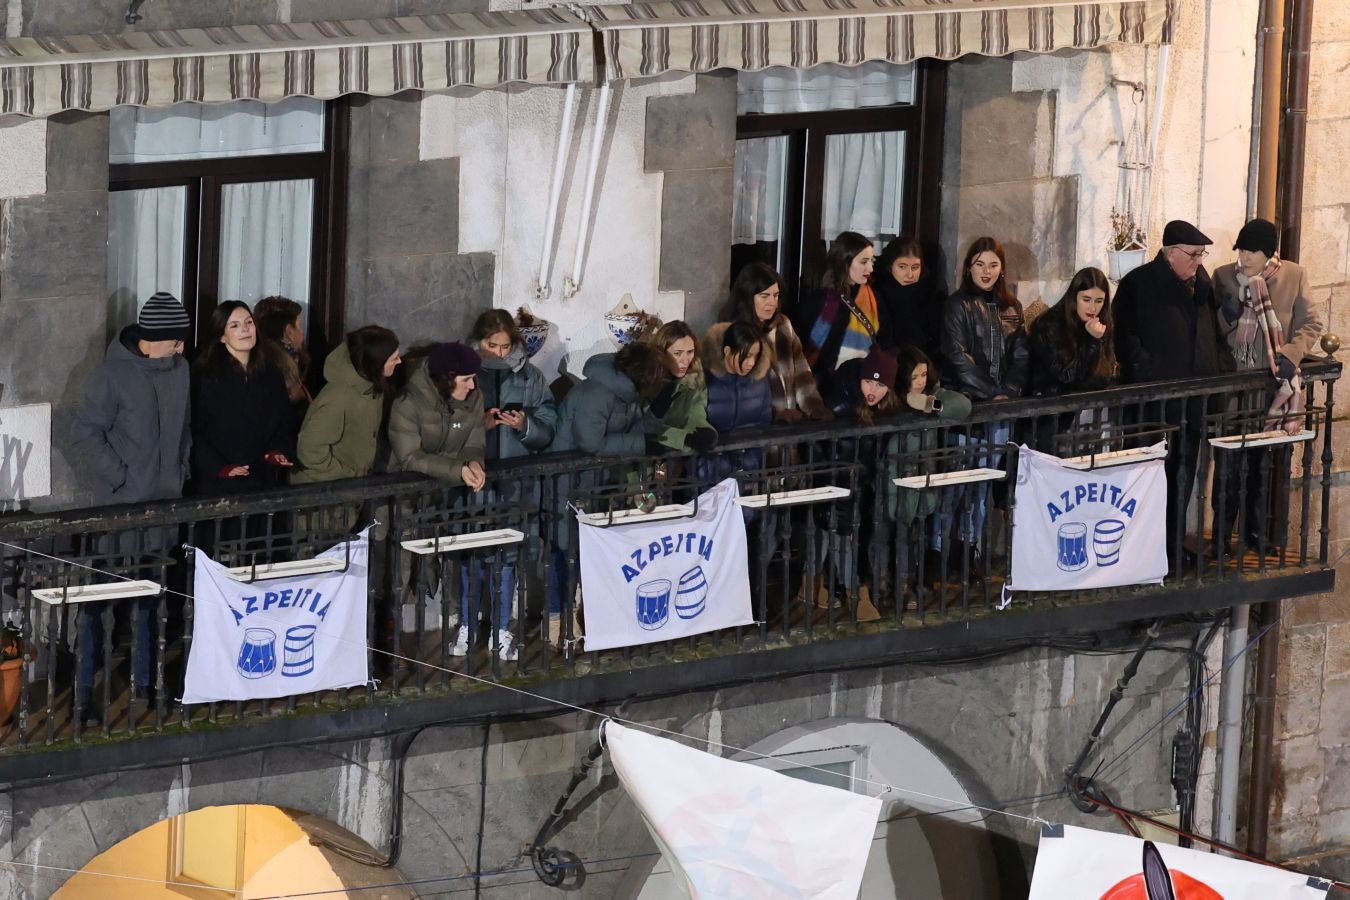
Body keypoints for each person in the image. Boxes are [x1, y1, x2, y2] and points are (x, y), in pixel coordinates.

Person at [69, 291, 192, 721]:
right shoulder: (111, 375)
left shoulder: (180, 371)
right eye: (176, 340)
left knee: (150, 602)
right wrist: (122, 479)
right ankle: (84, 694)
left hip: (164, 508)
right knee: (98, 604)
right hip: (117, 510)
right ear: (153, 339)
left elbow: (185, 428)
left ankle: (147, 684)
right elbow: (85, 433)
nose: (182, 347)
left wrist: (180, 470)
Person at [1113, 220, 1236, 565]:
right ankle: (1143, 552)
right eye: (1193, 254)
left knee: (1182, 479)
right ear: (1170, 253)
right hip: (1153, 406)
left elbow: (1212, 334)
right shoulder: (1138, 284)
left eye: (1201, 254)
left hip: (1194, 404)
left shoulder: (1201, 283)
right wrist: (1151, 375)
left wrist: (1221, 369)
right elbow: (1126, 340)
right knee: (1148, 479)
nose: (1199, 261)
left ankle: (1173, 547)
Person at [546, 342, 673, 649]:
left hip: (594, 482)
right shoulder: (597, 393)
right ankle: (555, 621)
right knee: (564, 551)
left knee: (583, 552)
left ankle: (575, 615)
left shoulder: (626, 395)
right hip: (568, 481)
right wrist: (642, 445)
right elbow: (590, 442)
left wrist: (657, 415)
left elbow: (634, 430)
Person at [1210, 218, 1323, 555]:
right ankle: (1221, 537)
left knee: (1264, 464)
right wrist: (1227, 315)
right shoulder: (1223, 277)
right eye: (1241, 250)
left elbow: (1311, 323)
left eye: (1251, 251)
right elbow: (1209, 328)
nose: (1244, 258)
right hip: (1233, 388)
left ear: (1269, 253)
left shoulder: (1293, 276)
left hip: (1272, 386)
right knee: (1228, 464)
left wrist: (1292, 353)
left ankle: (1255, 534)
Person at [460, 311, 557, 661]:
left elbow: (549, 424)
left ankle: (502, 629)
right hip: (475, 480)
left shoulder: (530, 377)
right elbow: (447, 425)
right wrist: (480, 426)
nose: (499, 353)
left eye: (504, 346)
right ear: (479, 342)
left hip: (515, 484)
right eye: (492, 346)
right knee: (471, 554)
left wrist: (524, 425)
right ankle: (467, 625)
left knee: (508, 557)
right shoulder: (466, 375)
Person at [939, 237, 1029, 574]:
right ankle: (941, 551)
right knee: (957, 483)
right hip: (969, 407)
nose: (986, 271)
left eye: (993, 264)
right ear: (969, 267)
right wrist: (991, 393)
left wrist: (1009, 391)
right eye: (980, 264)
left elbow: (1021, 355)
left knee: (984, 483)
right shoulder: (957, 305)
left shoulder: (1011, 307)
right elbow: (957, 358)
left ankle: (969, 550)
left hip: (1000, 409)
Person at [885, 346, 973, 594]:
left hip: (923, 474)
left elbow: (963, 406)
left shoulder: (930, 396)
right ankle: (897, 583)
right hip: (897, 477)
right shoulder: (893, 398)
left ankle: (914, 581)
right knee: (896, 533)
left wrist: (929, 404)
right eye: (914, 376)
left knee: (918, 532)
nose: (920, 381)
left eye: (923, 375)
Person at [190, 301, 295, 496]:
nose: (245, 329)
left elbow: (283, 423)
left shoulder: (272, 373)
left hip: (264, 482)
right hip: (218, 485)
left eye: (249, 322)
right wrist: (219, 468)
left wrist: (277, 452)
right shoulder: (204, 376)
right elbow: (194, 432)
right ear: (221, 335)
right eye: (235, 325)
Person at [724, 262, 831, 424]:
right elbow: (736, 391)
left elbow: (802, 372)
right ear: (747, 297)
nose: (772, 303)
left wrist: (814, 407)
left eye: (776, 295)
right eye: (764, 296)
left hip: (787, 427)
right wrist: (774, 414)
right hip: (754, 427)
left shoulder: (783, 325)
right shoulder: (734, 333)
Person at [293, 326, 401, 484]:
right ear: (375, 363)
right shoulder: (338, 398)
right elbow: (310, 451)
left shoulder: (371, 387)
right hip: (324, 489)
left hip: (349, 486)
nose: (399, 361)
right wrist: (346, 475)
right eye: (394, 358)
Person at [388, 342, 487, 488]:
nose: (472, 385)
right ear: (446, 379)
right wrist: (457, 470)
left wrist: (474, 463)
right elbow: (410, 457)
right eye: (466, 379)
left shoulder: (474, 397)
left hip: (445, 491)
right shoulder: (407, 402)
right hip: (403, 490)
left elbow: (474, 444)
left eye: (473, 377)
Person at [796, 231, 881, 396]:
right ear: (845, 262)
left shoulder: (874, 297)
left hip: (867, 384)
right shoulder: (821, 301)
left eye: (872, 261)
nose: (870, 268)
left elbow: (884, 341)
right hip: (826, 388)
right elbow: (808, 348)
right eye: (863, 262)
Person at [699, 321, 773, 480]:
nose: (751, 363)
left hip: (749, 471)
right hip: (710, 473)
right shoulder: (704, 380)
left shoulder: (759, 381)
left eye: (756, 356)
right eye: (747, 356)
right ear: (727, 351)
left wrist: (754, 459)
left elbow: (764, 421)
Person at [646, 321, 717, 454]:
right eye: (678, 353)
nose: (685, 360)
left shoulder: (695, 377)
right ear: (661, 353)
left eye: (690, 352)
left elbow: (696, 412)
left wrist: (704, 430)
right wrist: (683, 438)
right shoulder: (647, 379)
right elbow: (644, 426)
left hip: (676, 458)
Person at [874, 236, 944, 361]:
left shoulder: (931, 297)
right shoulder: (877, 295)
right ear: (890, 266)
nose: (910, 274)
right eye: (902, 267)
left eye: (915, 267)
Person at [252, 295, 312, 429]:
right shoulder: (284, 373)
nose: (302, 333)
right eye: (299, 326)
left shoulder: (256, 362)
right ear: (289, 332)